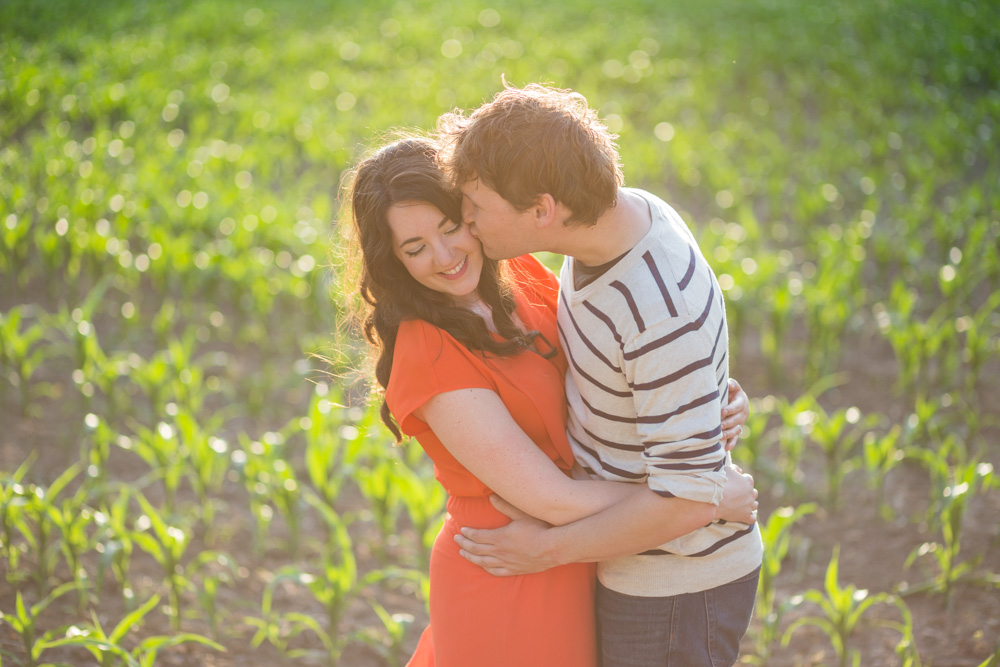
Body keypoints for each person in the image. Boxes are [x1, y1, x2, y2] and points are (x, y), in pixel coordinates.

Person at [345, 135, 756, 667]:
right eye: (415, 248)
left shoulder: (519, 276)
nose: (444, 258)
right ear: (393, 261)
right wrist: (700, 497)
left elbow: (611, 368)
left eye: (450, 229)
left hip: (586, 548)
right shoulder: (429, 350)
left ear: (471, 214)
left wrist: (706, 392)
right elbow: (553, 500)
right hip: (510, 562)